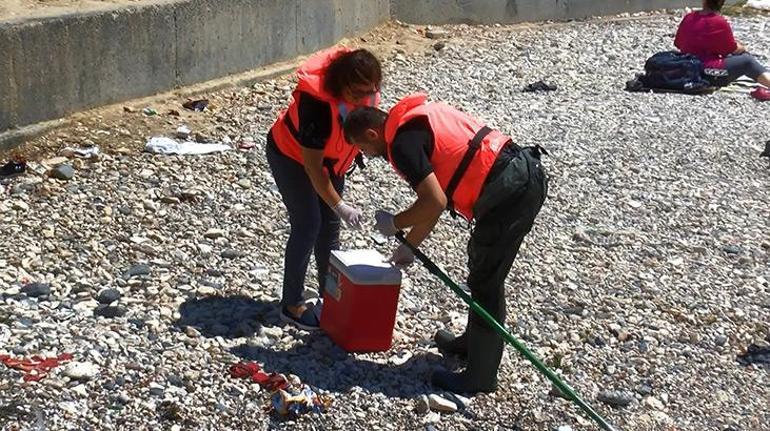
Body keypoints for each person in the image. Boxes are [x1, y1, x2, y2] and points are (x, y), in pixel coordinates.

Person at [342, 93, 548, 393]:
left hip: (511, 192)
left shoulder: (401, 145)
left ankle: (480, 377)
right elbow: (435, 199)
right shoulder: (413, 123)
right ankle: (471, 345)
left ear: (373, 134)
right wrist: (409, 246)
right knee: (483, 273)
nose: (368, 155)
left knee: (486, 283)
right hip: (516, 177)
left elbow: (434, 202)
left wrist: (396, 223)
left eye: (364, 148)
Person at [266, 47, 382, 330]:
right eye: (356, 92)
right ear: (341, 83)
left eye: (369, 91)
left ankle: (329, 295)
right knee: (308, 224)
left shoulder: (366, 97)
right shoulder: (315, 105)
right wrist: (340, 204)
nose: (363, 98)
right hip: (291, 157)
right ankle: (291, 303)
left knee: (330, 229)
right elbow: (312, 168)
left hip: (333, 163)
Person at [674, 0, 770, 101]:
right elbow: (732, 49)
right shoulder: (718, 22)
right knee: (747, 61)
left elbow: (678, 44)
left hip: (687, 68)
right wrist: (742, 47)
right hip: (706, 73)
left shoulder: (689, 17)